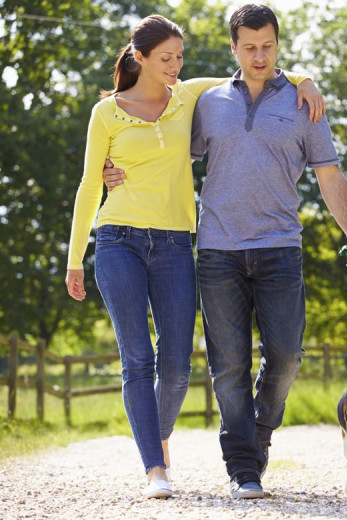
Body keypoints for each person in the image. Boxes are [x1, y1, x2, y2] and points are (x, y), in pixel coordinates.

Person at [65, 14, 324, 499]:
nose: (175, 66)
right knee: (138, 358)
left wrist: (306, 80)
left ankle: (156, 436)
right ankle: (155, 467)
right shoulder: (107, 114)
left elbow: (258, 71)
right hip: (118, 238)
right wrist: (75, 257)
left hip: (176, 243)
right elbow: (87, 185)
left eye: (180, 58)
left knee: (179, 365)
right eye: (166, 58)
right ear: (138, 57)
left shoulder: (188, 96)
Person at [189, 4, 347, 500]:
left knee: (287, 355)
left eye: (267, 46)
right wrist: (116, 169)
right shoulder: (208, 103)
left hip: (279, 248)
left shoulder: (302, 102)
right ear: (233, 47)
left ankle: (258, 438)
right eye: (249, 46)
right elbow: (168, 157)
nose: (259, 55)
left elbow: (329, 173)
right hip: (218, 250)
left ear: (278, 45)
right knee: (228, 366)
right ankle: (243, 467)